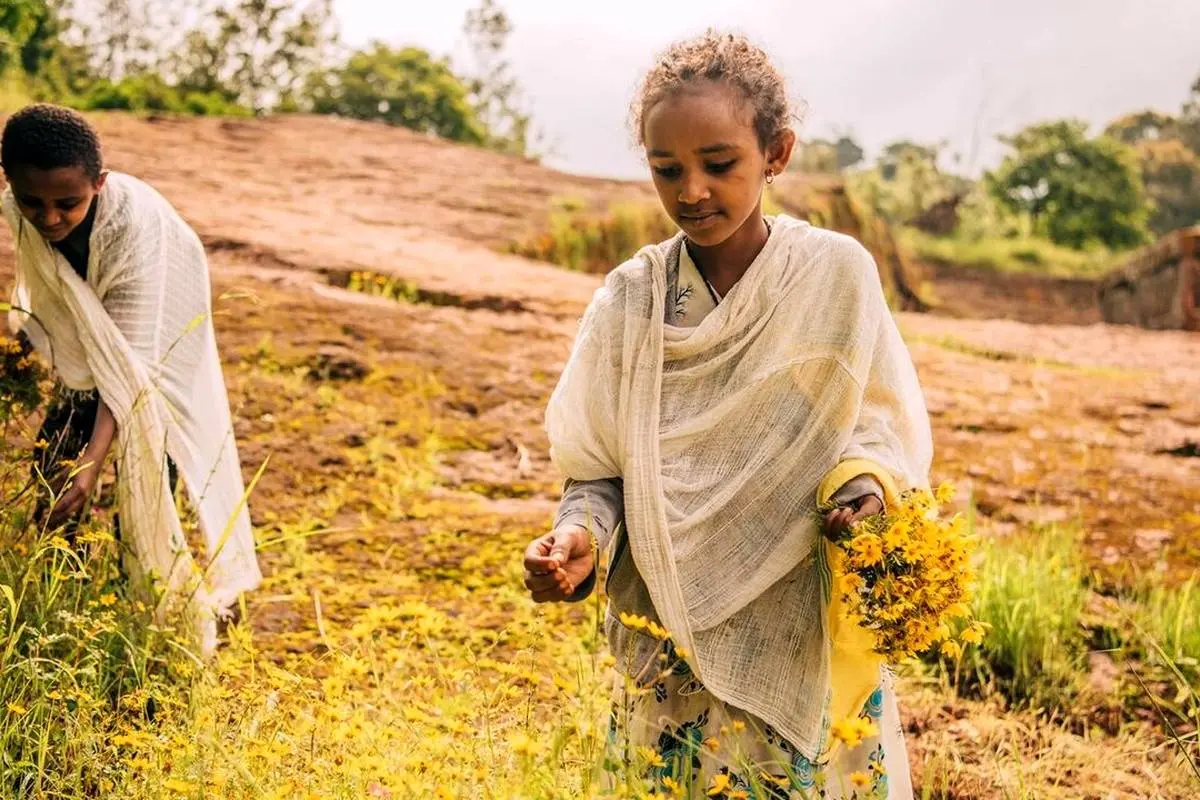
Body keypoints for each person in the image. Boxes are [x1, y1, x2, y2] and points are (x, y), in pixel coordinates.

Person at [523, 32, 933, 798]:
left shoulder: (834, 277)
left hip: (795, 630)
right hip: (669, 645)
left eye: (719, 164)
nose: (692, 193)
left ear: (776, 153)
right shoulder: (630, 302)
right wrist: (580, 537)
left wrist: (869, 496)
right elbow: (601, 468)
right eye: (666, 169)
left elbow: (876, 429)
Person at [1, 104, 262, 654]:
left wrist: (91, 466)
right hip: (102, 331)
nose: (49, 218)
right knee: (54, 470)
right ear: (10, 184)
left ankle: (159, 611)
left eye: (67, 203)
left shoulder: (135, 231)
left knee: (148, 472)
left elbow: (133, 370)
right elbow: (52, 288)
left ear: (99, 182)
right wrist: (22, 350)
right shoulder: (16, 207)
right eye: (34, 202)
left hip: (161, 322)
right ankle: (58, 603)